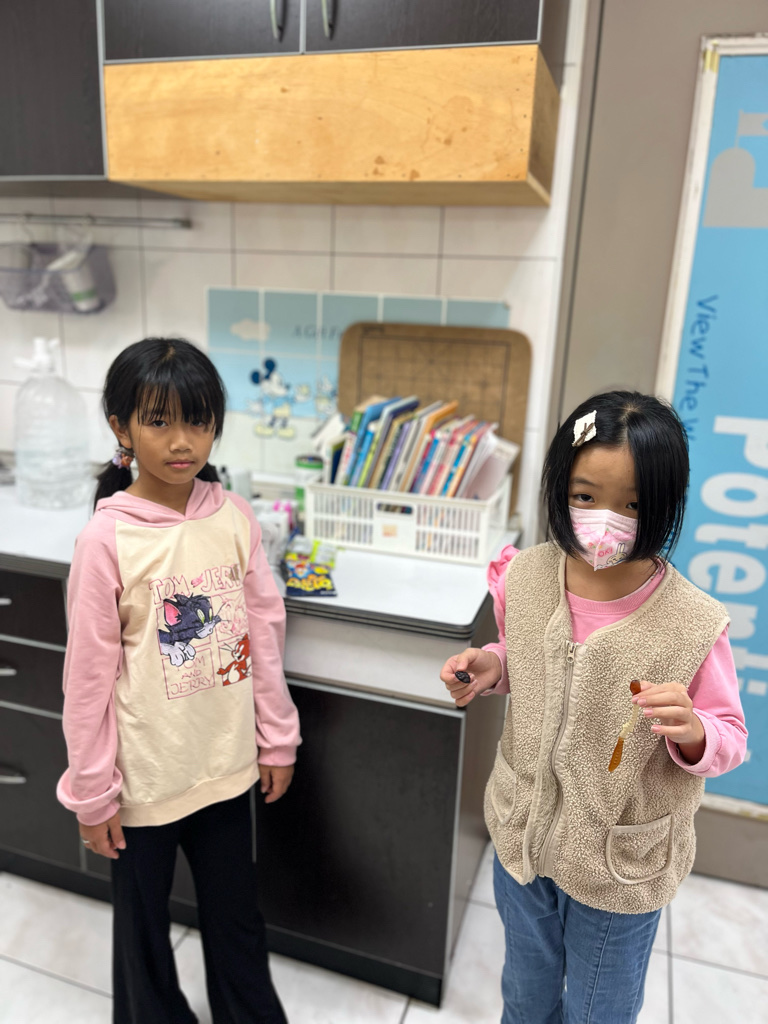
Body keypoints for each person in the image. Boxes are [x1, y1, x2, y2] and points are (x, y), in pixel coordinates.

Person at [440, 391, 747, 1024]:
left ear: (664, 503)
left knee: (599, 1010)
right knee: (525, 995)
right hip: (522, 842)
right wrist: (493, 665)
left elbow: (730, 735)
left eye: (632, 504)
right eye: (585, 496)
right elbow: (526, 659)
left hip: (616, 869)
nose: (605, 520)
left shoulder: (692, 623)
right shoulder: (525, 577)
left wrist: (693, 731)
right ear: (560, 487)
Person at [57, 337, 300, 1024]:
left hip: (225, 769)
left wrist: (277, 738)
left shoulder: (234, 517)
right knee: (143, 940)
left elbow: (264, 636)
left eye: (197, 420)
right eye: (159, 421)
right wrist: (92, 792)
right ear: (121, 427)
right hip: (142, 785)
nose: (181, 440)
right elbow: (87, 680)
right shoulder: (105, 540)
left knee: (238, 921)